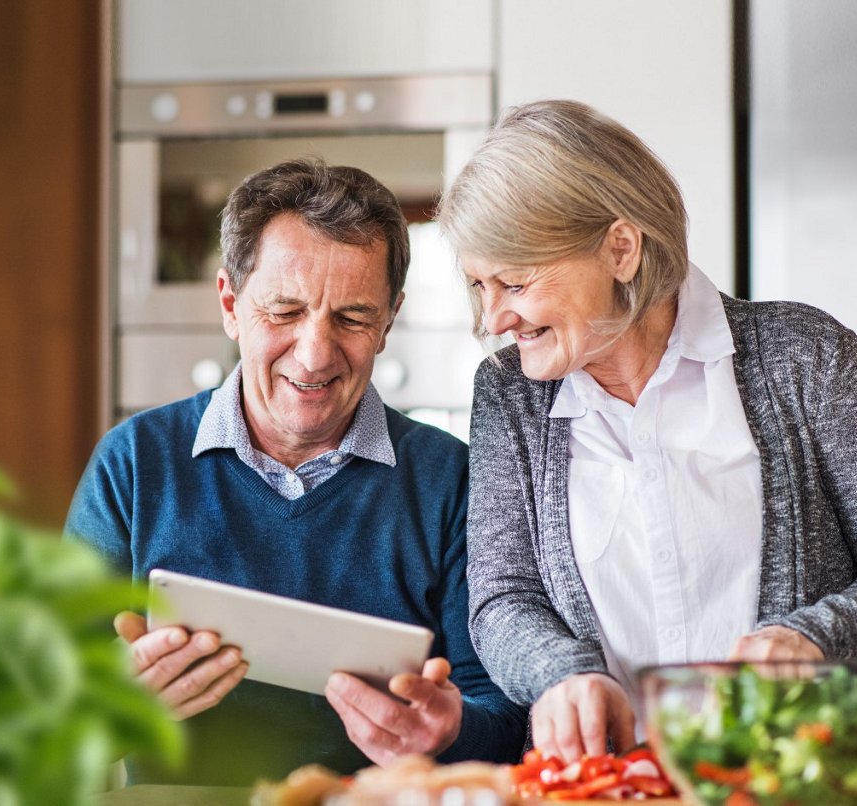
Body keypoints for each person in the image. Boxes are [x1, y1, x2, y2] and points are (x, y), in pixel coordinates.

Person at [437, 99, 857, 763]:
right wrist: (565, 673)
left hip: (793, 780)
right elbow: (504, 599)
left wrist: (813, 637)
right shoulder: (509, 394)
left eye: (515, 283)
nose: (493, 319)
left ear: (620, 248)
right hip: (604, 784)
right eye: (480, 286)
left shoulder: (807, 357)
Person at [66, 158, 527, 785]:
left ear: (388, 320)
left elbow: (506, 724)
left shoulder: (451, 482)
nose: (314, 355)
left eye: (353, 318)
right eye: (284, 312)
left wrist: (448, 731)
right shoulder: (133, 466)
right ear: (231, 304)